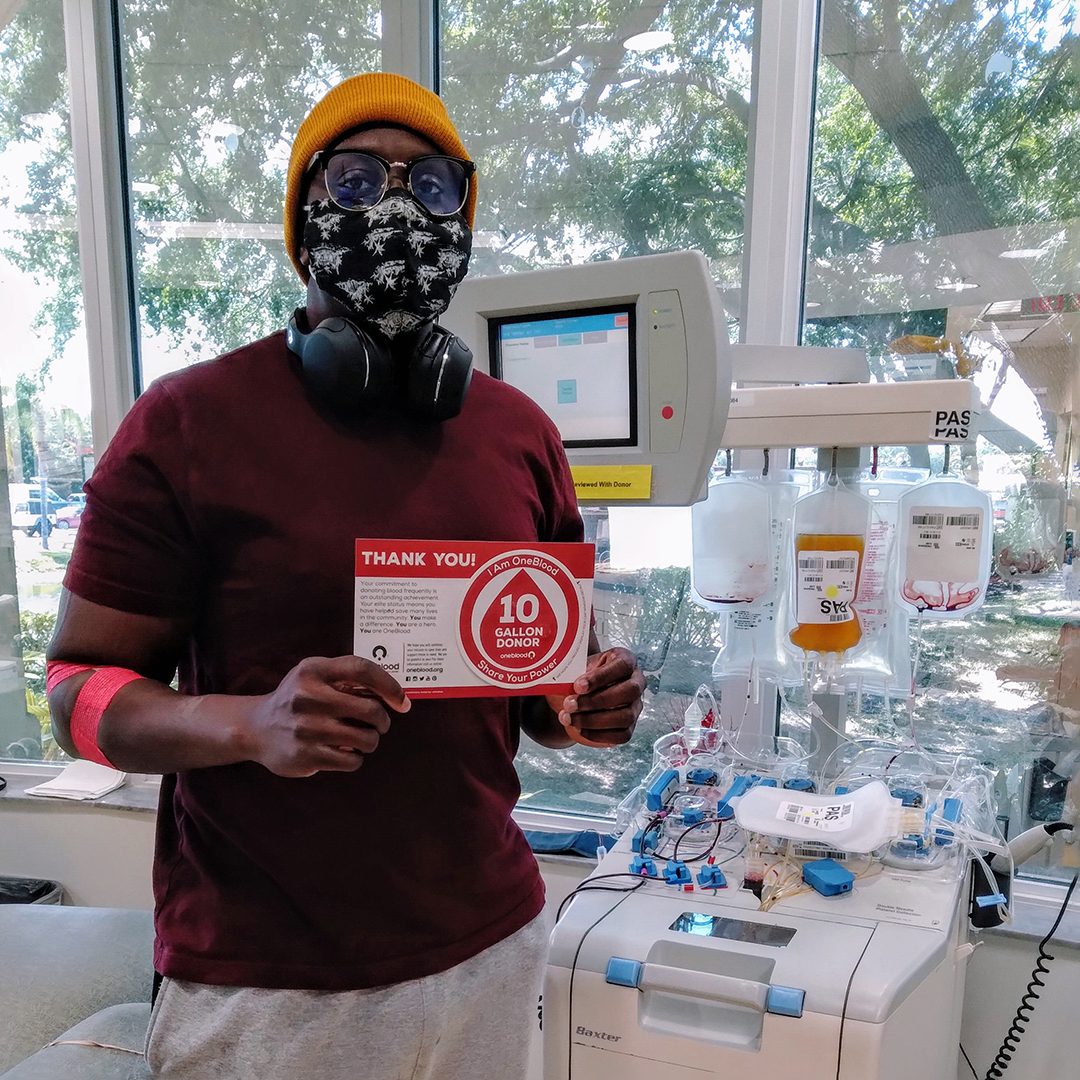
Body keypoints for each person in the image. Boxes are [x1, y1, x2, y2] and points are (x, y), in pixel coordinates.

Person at [45, 72, 644, 1080]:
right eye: (359, 181)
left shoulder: (519, 434)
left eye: (435, 187)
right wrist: (250, 725)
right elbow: (73, 694)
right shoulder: (188, 425)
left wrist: (582, 701)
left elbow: (534, 693)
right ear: (303, 218)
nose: (402, 209)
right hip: (270, 985)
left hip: (491, 951)